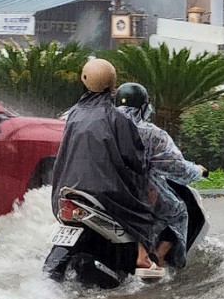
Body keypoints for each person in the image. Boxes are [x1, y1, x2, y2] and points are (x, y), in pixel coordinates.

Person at [50, 59, 163, 278]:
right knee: (145, 207)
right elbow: (136, 161)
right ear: (113, 85)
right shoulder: (118, 119)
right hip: (105, 193)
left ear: (84, 80)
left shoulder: (73, 114)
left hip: (67, 189)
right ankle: (142, 257)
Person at [115, 82, 206, 269]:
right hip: (138, 188)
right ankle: (156, 256)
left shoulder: (103, 126)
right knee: (178, 211)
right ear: (143, 107)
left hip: (103, 186)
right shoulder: (151, 134)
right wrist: (198, 171)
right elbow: (175, 166)